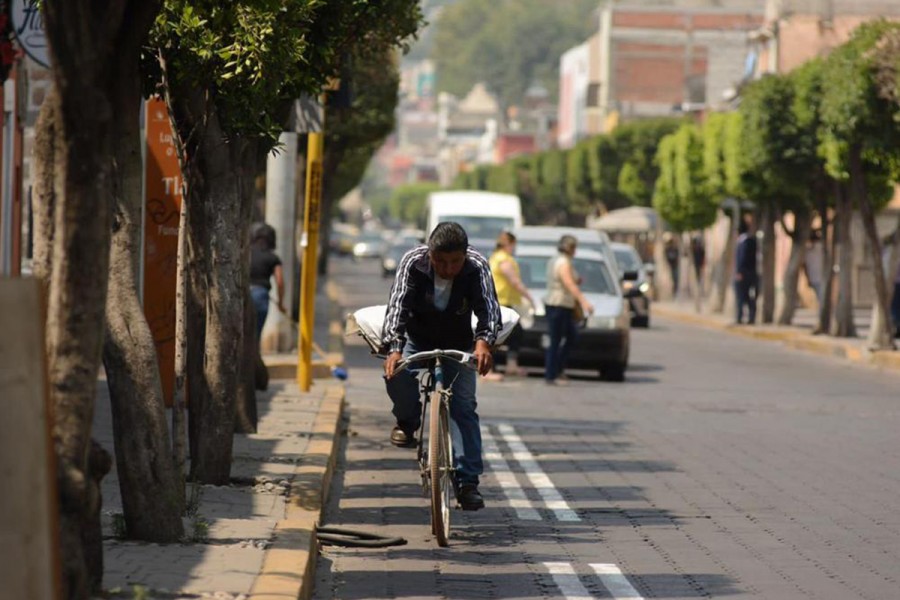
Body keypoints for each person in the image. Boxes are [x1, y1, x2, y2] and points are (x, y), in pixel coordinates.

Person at [381, 221, 501, 511]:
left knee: (463, 405)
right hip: (416, 339)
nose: (448, 269)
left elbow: (488, 308)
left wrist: (484, 342)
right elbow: (397, 307)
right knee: (396, 374)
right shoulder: (412, 262)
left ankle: (468, 482)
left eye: (454, 262)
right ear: (430, 255)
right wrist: (395, 349)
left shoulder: (477, 265)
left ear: (464, 255)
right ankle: (408, 422)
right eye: (441, 262)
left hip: (458, 343)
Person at [543, 235, 594, 385]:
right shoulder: (563, 262)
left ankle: (557, 369)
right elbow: (569, 284)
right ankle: (552, 374)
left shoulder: (556, 260)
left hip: (560, 303)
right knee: (556, 340)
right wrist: (584, 302)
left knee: (569, 336)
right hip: (559, 304)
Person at [487, 231, 533, 379]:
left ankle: (510, 365)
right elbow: (514, 281)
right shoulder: (503, 259)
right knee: (497, 335)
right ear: (509, 244)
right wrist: (528, 296)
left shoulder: (496, 257)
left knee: (514, 333)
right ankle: (488, 370)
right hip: (500, 302)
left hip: (502, 301)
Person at [249, 223, 285, 342]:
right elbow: (279, 281)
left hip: (242, 293)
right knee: (255, 335)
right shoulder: (273, 258)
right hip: (260, 295)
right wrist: (280, 303)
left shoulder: (245, 253)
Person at [734, 218, 758, 325]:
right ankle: (750, 317)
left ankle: (740, 317)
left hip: (743, 273)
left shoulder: (743, 243)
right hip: (751, 273)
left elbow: (742, 258)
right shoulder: (752, 240)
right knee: (749, 296)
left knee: (741, 296)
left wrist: (739, 271)